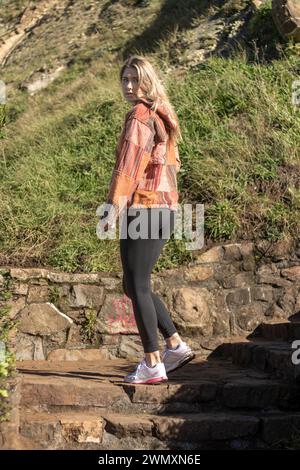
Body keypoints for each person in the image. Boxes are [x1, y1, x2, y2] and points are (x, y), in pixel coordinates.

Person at [99, 55, 195, 384]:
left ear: (147, 81)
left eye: (134, 80)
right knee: (134, 283)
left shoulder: (140, 115)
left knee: (137, 284)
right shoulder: (163, 113)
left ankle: (152, 361)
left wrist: (113, 207)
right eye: (124, 79)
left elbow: (128, 166)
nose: (128, 86)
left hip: (144, 208)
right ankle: (175, 344)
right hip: (165, 209)